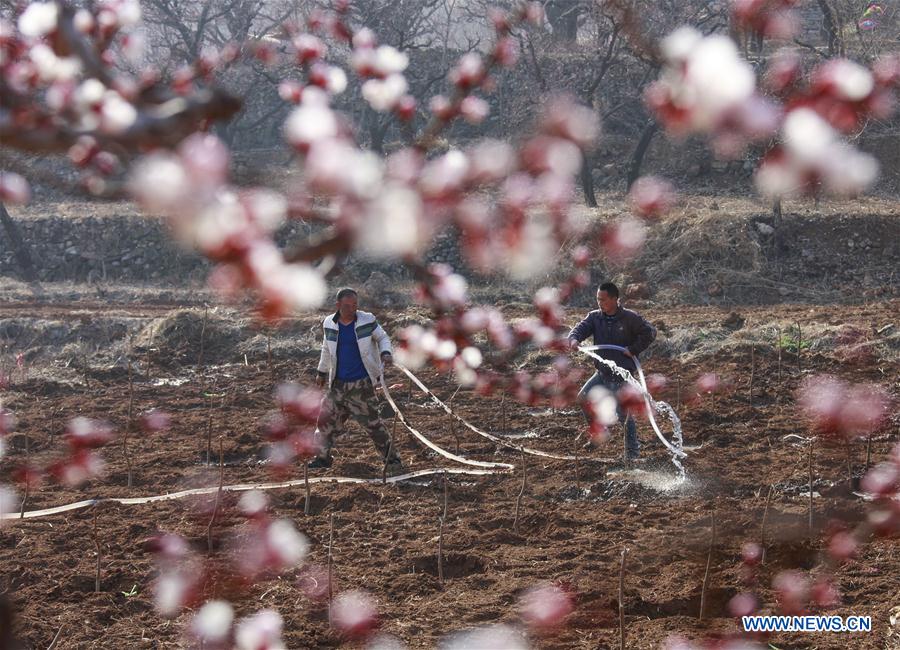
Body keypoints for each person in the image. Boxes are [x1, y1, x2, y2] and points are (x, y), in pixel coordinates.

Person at [310, 287, 402, 470]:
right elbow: (326, 349)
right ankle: (322, 459)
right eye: (347, 306)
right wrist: (321, 372)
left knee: (373, 426)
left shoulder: (367, 320)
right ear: (338, 305)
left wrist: (386, 353)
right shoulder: (329, 323)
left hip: (361, 385)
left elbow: (383, 337)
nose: (352, 309)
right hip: (337, 385)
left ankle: (392, 460)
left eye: (354, 305)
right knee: (325, 422)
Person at [567, 282, 656, 461]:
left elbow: (650, 333)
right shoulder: (595, 317)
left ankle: (632, 454)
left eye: (603, 299)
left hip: (622, 375)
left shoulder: (630, 318)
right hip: (602, 372)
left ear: (615, 299)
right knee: (583, 398)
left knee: (623, 414)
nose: (600, 303)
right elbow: (579, 329)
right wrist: (574, 339)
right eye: (598, 299)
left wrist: (633, 349)